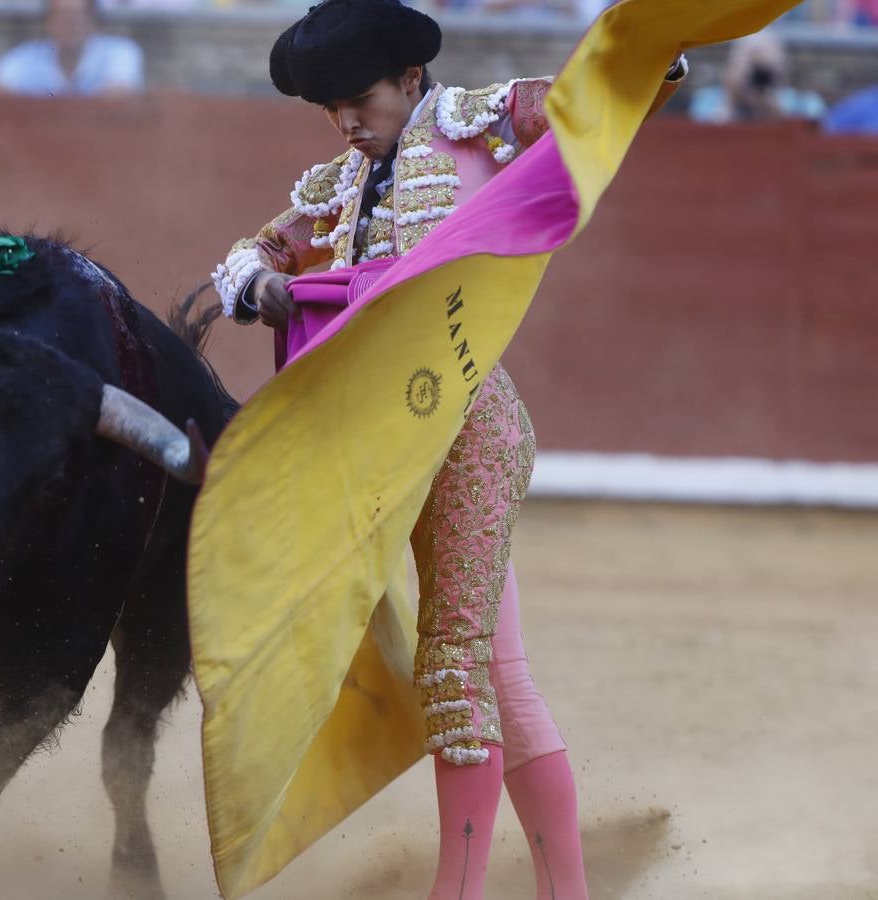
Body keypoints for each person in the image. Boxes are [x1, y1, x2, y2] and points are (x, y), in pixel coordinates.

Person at [210, 1, 686, 896]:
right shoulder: (339, 184)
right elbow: (249, 252)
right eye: (332, 109)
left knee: (455, 668)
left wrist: (653, 52)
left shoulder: (478, 123)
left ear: (410, 80)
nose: (348, 123)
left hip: (467, 425)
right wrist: (261, 282)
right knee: (499, 677)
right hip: (385, 444)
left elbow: (586, 100)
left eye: (360, 101)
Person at [0, 0, 144, 97]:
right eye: (62, 16)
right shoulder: (22, 58)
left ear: (94, 22)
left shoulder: (121, 52)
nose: (71, 24)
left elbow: (120, 94)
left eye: (78, 16)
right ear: (48, 22)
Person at [690, 30, 826, 124]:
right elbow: (701, 140)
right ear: (733, 67)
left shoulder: (804, 103)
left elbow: (815, 136)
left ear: (782, 69)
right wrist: (729, 102)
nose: (758, 78)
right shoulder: (707, 100)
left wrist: (777, 113)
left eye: (764, 71)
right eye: (753, 69)